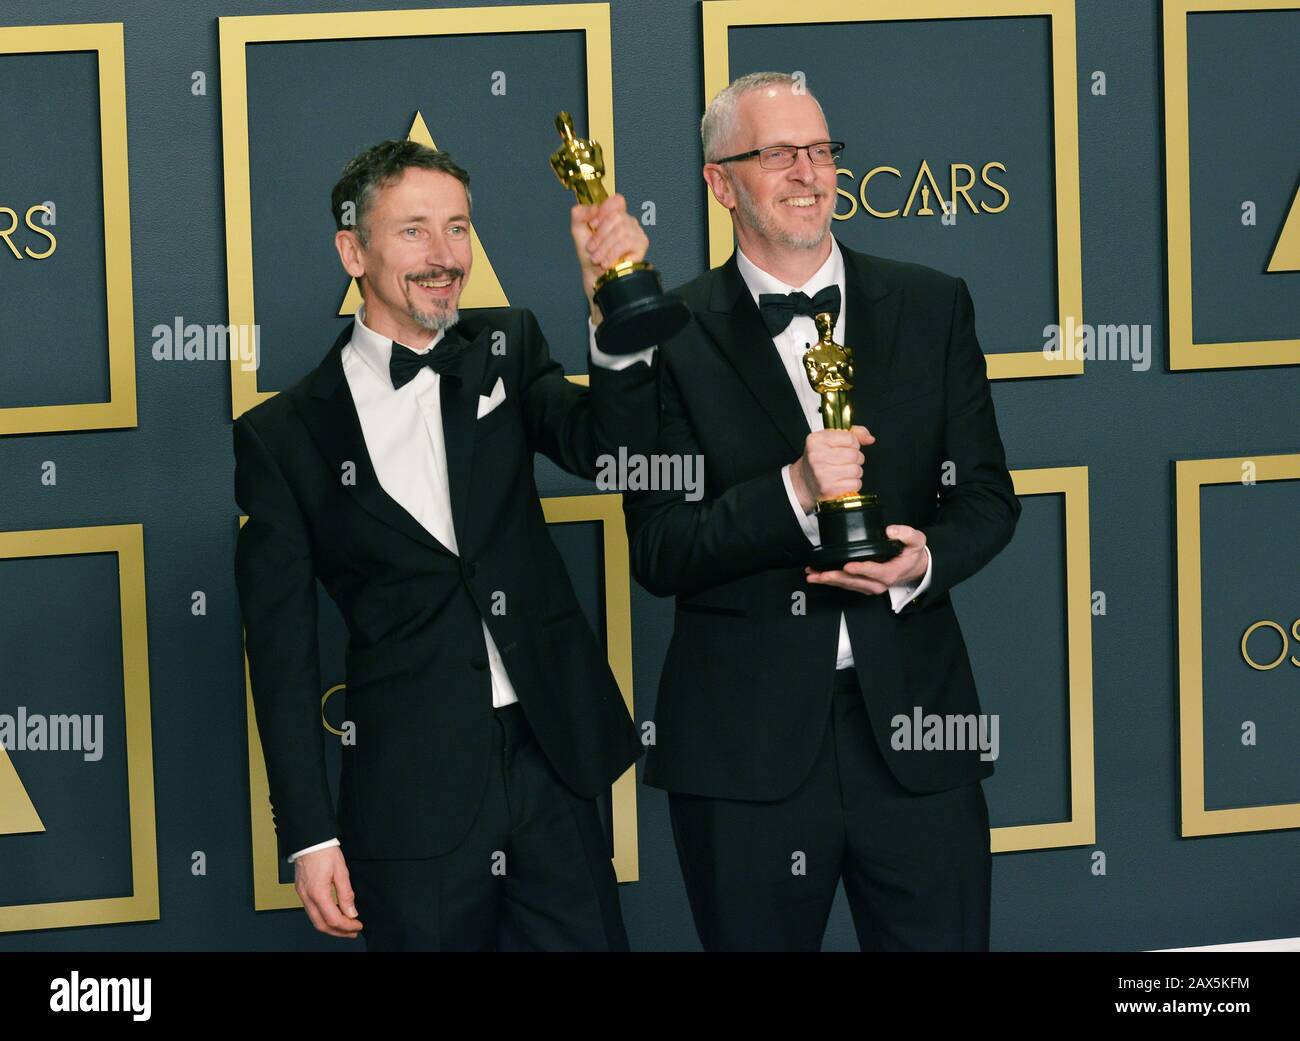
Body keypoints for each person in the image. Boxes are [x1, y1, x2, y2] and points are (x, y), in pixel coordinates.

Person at [624, 72, 1021, 951]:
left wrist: (920, 562)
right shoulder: (666, 336)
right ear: (721, 183)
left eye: (820, 149)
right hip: (743, 754)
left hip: (918, 736)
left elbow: (989, 499)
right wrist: (791, 494)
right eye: (776, 153)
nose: (808, 171)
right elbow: (658, 548)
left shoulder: (931, 302)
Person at [233, 138, 657, 950]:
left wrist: (615, 304)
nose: (445, 257)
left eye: (458, 229)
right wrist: (309, 832)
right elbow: (280, 655)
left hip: (550, 761)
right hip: (407, 792)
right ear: (352, 251)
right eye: (415, 232)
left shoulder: (509, 344)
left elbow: (614, 451)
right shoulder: (283, 437)